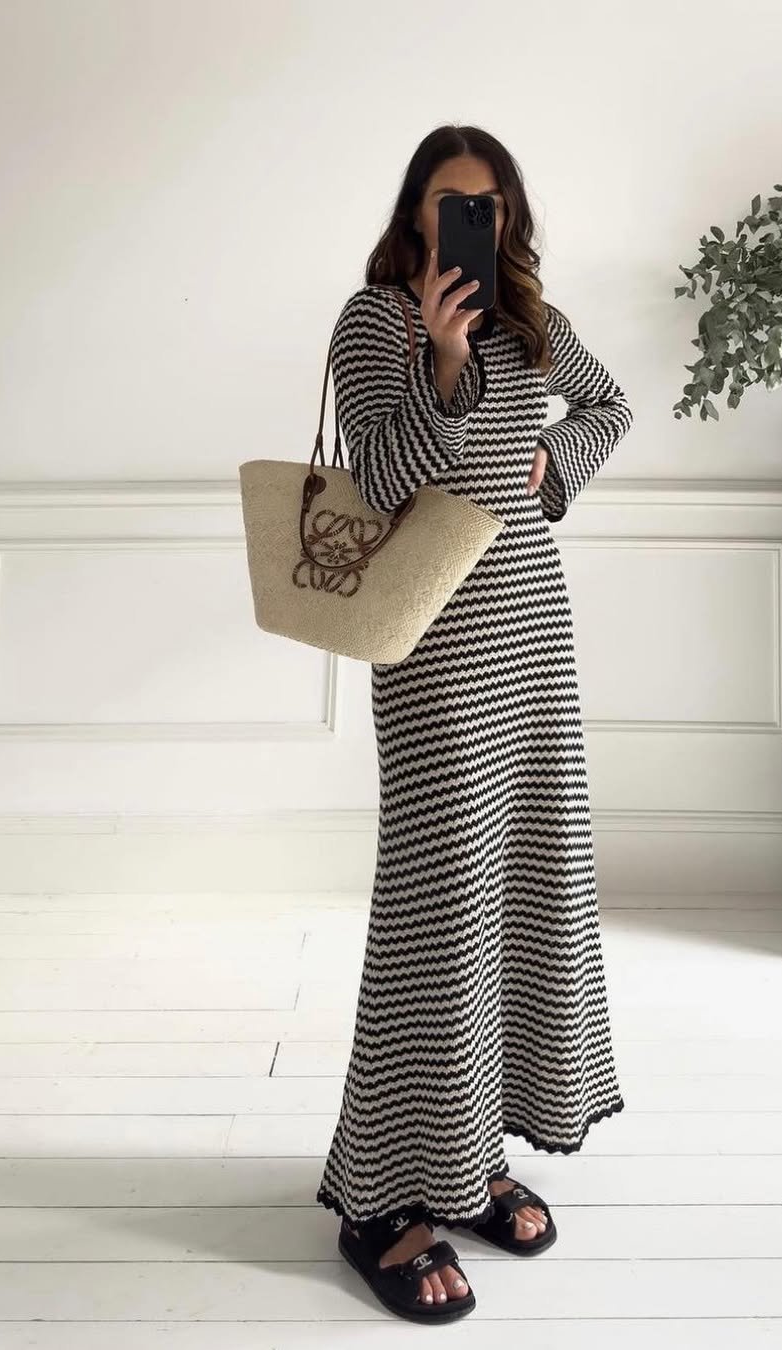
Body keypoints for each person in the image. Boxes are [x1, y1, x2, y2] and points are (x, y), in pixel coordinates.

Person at [316, 123, 634, 1323]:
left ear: (508, 216)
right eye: (454, 202)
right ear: (415, 212)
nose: (474, 222)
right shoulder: (375, 322)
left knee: (522, 893)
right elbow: (383, 477)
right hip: (436, 650)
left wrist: (557, 463)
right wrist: (444, 363)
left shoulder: (531, 321)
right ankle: (378, 1200)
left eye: (490, 205)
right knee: (438, 906)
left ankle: (467, 1158)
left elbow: (609, 404)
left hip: (533, 638)